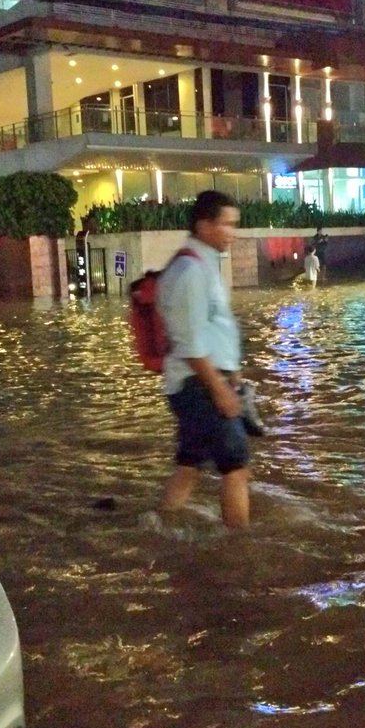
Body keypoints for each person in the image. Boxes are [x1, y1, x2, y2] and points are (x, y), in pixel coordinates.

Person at [157, 190, 251, 528]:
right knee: (236, 467)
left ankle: (157, 527)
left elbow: (213, 329)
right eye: (226, 224)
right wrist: (220, 390)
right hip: (199, 386)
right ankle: (242, 549)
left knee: (190, 464)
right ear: (204, 225)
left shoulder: (203, 264)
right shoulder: (190, 272)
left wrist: (234, 377)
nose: (233, 232)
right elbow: (190, 343)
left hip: (201, 383)